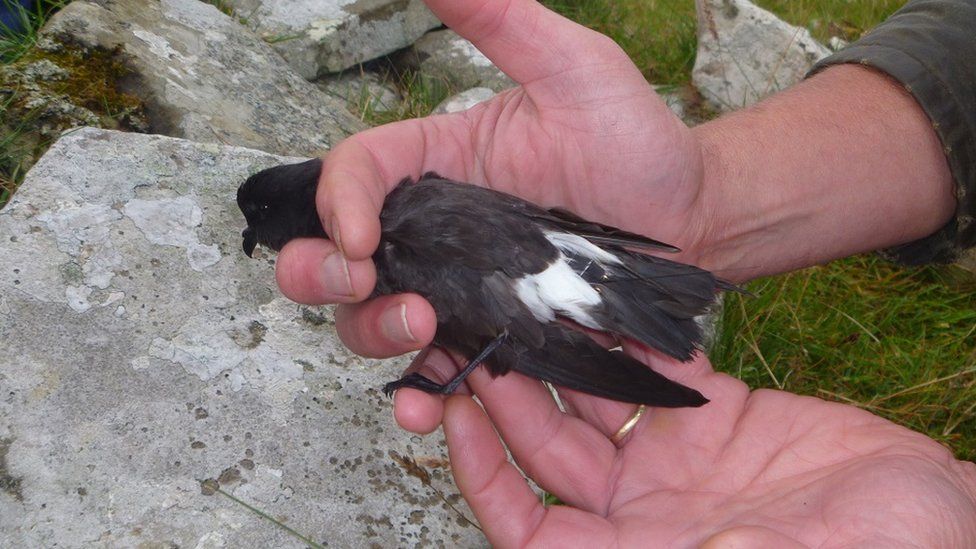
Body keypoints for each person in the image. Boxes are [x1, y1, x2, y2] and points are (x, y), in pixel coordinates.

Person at [275, 0, 976, 545]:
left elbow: (503, 323)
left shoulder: (400, 233)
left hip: (549, 281)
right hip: (561, 254)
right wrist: (699, 202)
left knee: (468, 330)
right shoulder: (412, 196)